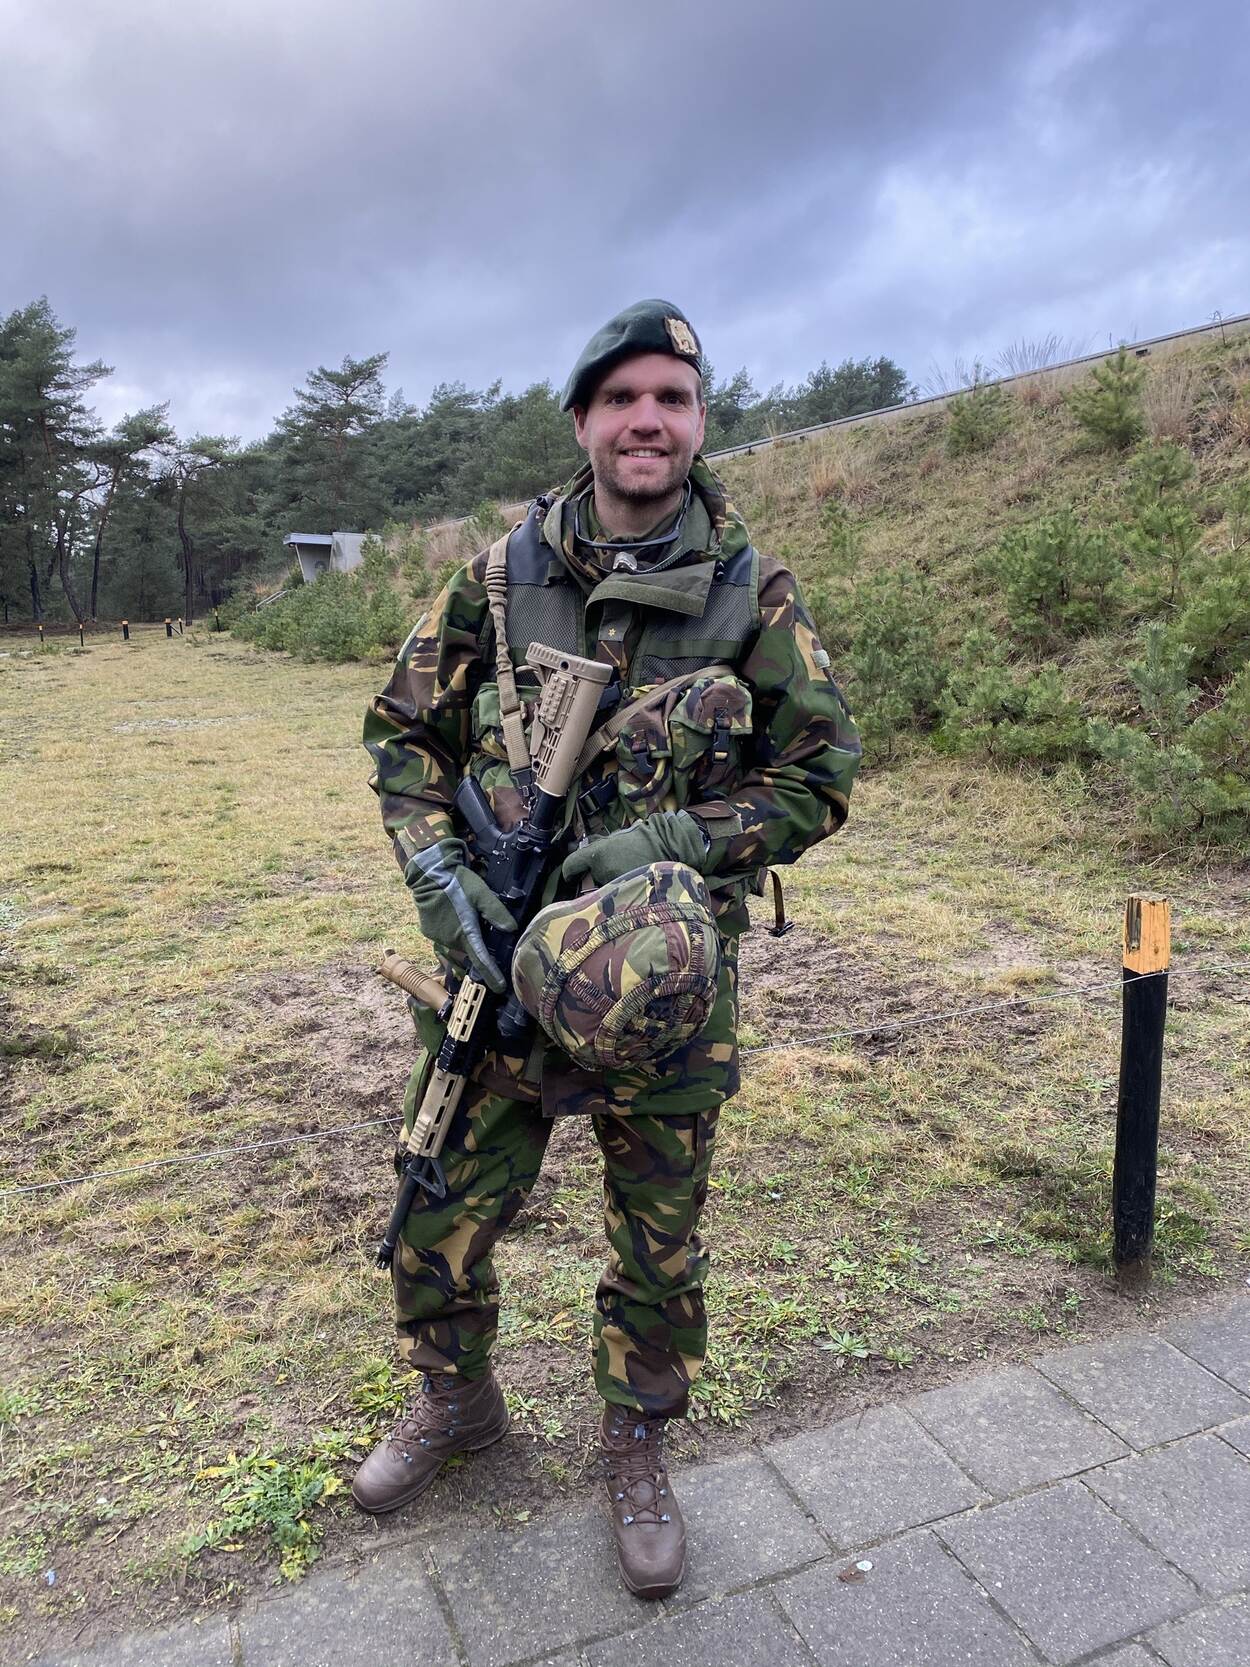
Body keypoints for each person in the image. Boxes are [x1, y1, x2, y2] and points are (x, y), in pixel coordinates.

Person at [356, 300, 861, 1598]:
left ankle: (635, 1439)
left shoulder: (752, 591)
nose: (648, 421)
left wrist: (675, 840)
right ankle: (457, 1402)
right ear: (582, 420)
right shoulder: (494, 577)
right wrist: (435, 871)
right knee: (437, 1205)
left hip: (660, 986)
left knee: (658, 1237)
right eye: (623, 398)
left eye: (672, 399)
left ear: (698, 422)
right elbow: (402, 735)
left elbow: (819, 775)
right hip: (497, 964)